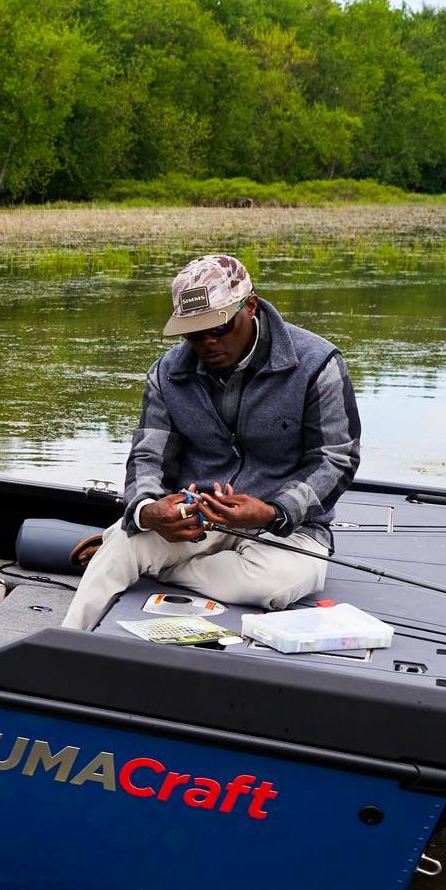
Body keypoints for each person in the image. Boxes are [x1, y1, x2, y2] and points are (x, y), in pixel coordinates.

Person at [61, 253, 361, 631]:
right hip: (195, 517)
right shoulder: (166, 374)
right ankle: (67, 643)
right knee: (124, 542)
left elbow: (337, 458)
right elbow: (147, 456)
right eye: (193, 333)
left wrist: (273, 510)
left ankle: (163, 568)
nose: (206, 342)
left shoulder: (318, 363)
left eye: (218, 328)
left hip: (288, 526)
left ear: (250, 307)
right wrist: (147, 511)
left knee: (276, 582)